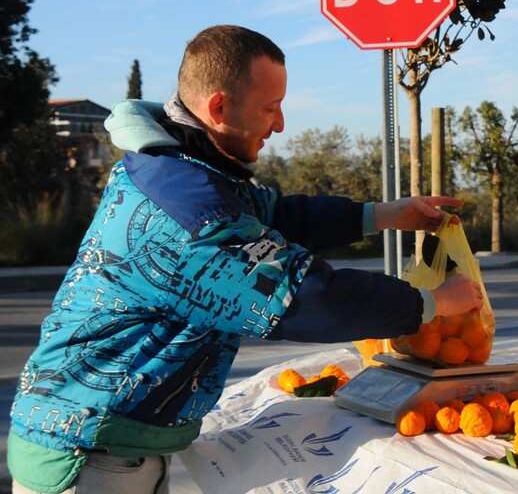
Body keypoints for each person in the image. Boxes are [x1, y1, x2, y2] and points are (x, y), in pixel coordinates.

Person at [7, 25, 483, 494]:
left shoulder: (185, 172)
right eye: (269, 108)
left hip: (106, 442)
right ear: (218, 107)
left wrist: (379, 215)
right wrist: (431, 303)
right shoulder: (191, 216)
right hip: (85, 455)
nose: (279, 124)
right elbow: (303, 299)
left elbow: (277, 216)